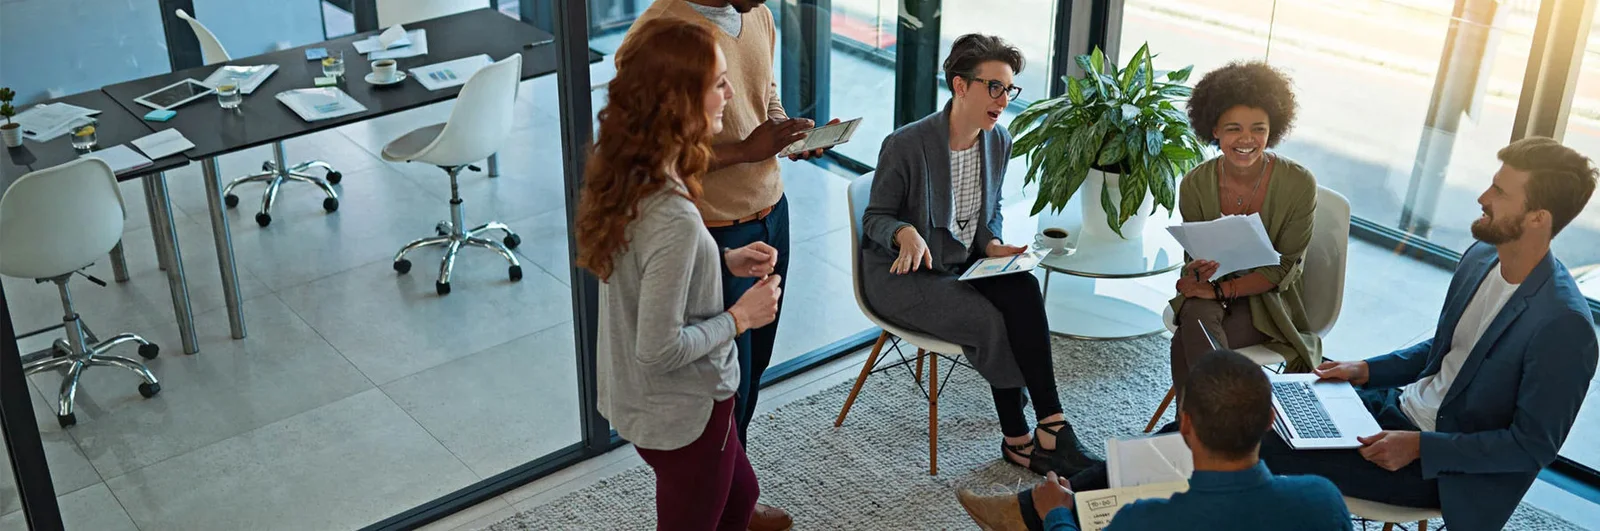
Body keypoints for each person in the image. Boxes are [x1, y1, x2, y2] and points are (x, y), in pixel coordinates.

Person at [1261, 137, 1599, 531]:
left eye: (1500, 192)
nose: (1482, 197)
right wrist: (1364, 370)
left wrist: (1420, 447)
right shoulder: (1482, 256)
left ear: (1538, 218)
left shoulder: (1563, 324)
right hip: (1396, 410)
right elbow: (1447, 350)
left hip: (1442, 469)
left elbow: (1531, 446)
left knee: (1242, 438)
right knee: (1240, 403)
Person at [577, 20, 785, 531]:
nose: (731, 93)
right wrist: (740, 317)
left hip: (643, 399)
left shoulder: (634, 171)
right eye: (718, 83)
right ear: (680, 102)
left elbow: (650, 267)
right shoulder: (672, 212)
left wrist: (720, 261)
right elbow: (660, 349)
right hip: (683, 412)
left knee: (742, 498)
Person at [859, 33, 1097, 477]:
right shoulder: (907, 144)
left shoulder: (997, 140)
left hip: (964, 260)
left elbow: (990, 213)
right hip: (905, 275)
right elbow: (875, 218)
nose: (1003, 98)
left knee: (1023, 287)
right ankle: (1018, 438)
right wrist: (905, 232)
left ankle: (1052, 424)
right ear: (960, 85)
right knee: (989, 319)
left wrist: (992, 245)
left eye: (1009, 89)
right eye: (994, 87)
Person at [954, 350, 1353, 531]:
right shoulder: (1324, 502)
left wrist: (1057, 515)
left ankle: (1032, 512)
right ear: (1270, 421)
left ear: (1186, 427)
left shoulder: (1142, 519)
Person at [1170, 61, 1322, 414]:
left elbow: (1283, 270)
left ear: (1274, 129)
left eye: (1259, 128)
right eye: (1233, 128)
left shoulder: (1299, 183)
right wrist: (1197, 276)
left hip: (1267, 301)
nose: (1247, 139)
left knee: (1186, 339)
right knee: (1196, 314)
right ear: (1215, 131)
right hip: (1212, 291)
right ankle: (1222, 422)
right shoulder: (1196, 183)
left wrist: (1220, 291)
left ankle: (1195, 425)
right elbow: (1194, 257)